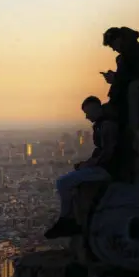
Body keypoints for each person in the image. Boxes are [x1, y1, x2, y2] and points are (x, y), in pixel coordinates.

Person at [44, 96, 119, 239]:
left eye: (88, 112)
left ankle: (67, 220)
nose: (86, 116)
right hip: (105, 167)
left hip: (108, 170)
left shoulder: (107, 126)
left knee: (63, 182)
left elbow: (109, 153)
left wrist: (90, 164)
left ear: (96, 108)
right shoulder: (103, 124)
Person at [102, 27, 139, 130]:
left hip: (127, 103)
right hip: (124, 100)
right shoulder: (130, 51)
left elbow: (135, 75)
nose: (114, 49)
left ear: (118, 39)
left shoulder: (134, 51)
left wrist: (115, 78)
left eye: (112, 45)